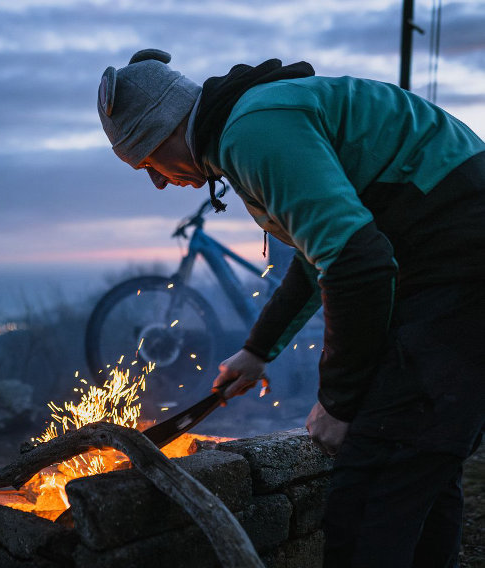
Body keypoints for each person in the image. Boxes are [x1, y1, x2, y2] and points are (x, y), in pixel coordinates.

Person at [97, 48, 485, 567]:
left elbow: (358, 263)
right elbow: (317, 256)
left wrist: (339, 402)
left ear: (165, 129)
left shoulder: (252, 132)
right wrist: (258, 352)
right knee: (417, 464)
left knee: (370, 487)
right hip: (448, 268)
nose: (159, 180)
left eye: (146, 161)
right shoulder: (249, 124)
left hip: (459, 269)